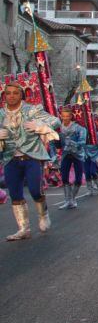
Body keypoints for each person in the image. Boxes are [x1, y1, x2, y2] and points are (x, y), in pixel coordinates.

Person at [1, 82, 60, 240]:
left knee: (35, 190)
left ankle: (43, 214)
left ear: (21, 95)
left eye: (15, 93)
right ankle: (23, 229)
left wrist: (41, 126)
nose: (11, 96)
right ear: (4, 95)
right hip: (10, 158)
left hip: (32, 156)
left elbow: (56, 121)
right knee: (15, 194)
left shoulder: (32, 110)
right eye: (8, 93)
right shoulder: (0, 114)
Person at [58, 107, 87, 209]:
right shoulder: (59, 128)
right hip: (66, 154)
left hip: (77, 155)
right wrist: (53, 155)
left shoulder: (78, 128)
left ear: (71, 116)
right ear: (61, 116)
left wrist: (73, 143)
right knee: (64, 178)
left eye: (67, 116)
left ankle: (73, 199)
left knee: (78, 179)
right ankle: (67, 200)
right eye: (63, 116)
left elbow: (83, 141)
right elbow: (53, 142)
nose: (65, 118)